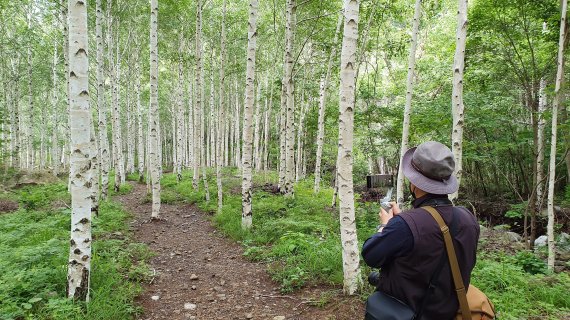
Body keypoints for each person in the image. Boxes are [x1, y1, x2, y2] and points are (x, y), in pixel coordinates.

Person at [362, 141, 480, 319]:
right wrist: (404, 221)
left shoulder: (405, 225)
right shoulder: (468, 218)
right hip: (449, 313)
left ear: (414, 183)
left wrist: (386, 225)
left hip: (408, 313)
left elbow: (371, 255)